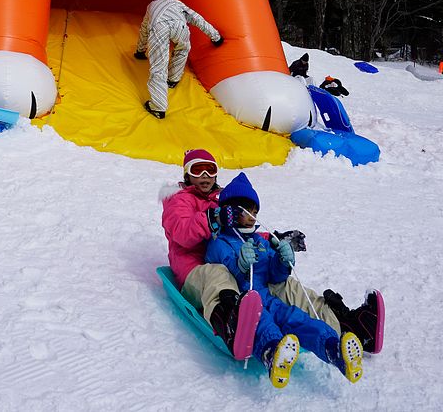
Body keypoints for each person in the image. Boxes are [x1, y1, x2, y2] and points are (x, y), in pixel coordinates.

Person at [160, 149, 383, 358]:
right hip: (196, 270)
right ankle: (233, 325)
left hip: (236, 264)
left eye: (211, 168)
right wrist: (212, 218)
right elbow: (182, 233)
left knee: (287, 286)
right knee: (219, 275)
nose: (206, 175)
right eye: (198, 170)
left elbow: (240, 234)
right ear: (187, 173)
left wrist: (274, 240)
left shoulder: (222, 199)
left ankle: (350, 327)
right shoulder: (179, 200)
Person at [205, 173, 364, 388]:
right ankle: (272, 353)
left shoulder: (259, 241)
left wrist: (282, 261)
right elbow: (224, 271)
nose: (252, 217)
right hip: (245, 301)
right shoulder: (220, 242)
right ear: (231, 212)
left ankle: (333, 348)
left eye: (254, 212)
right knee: (262, 321)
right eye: (246, 211)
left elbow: (274, 276)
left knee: (294, 317)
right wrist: (240, 264)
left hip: (267, 296)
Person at [135, 0, 223, 118]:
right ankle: (173, 79)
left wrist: (140, 50)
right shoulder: (177, 3)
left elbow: (144, 29)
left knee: (159, 65)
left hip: (160, 25)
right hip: (180, 26)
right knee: (183, 49)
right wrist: (216, 37)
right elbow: (197, 18)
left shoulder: (152, 5)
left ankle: (158, 107)